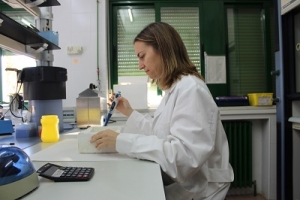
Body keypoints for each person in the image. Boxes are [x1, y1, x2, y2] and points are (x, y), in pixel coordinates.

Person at [90, 22, 234, 200]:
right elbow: (159, 131)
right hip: (186, 184)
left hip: (202, 188)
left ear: (163, 49)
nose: (140, 65)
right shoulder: (175, 89)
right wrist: (129, 111)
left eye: (142, 56)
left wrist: (122, 141)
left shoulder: (191, 89)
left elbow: (184, 157)